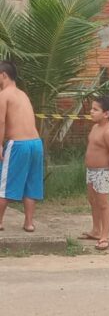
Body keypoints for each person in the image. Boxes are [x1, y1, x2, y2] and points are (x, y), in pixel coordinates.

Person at [0, 60, 43, 233]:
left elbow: (1, 122)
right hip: (36, 143)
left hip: (18, 144)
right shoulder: (22, 94)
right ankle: (29, 223)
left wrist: (0, 145)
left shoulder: (4, 95)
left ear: (4, 75)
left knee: (4, 185)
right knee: (31, 184)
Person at [82, 95, 109, 251]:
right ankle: (96, 230)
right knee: (93, 200)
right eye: (91, 109)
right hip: (91, 171)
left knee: (103, 204)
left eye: (95, 109)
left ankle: (105, 236)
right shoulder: (95, 127)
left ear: (106, 114)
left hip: (103, 171)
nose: (91, 112)